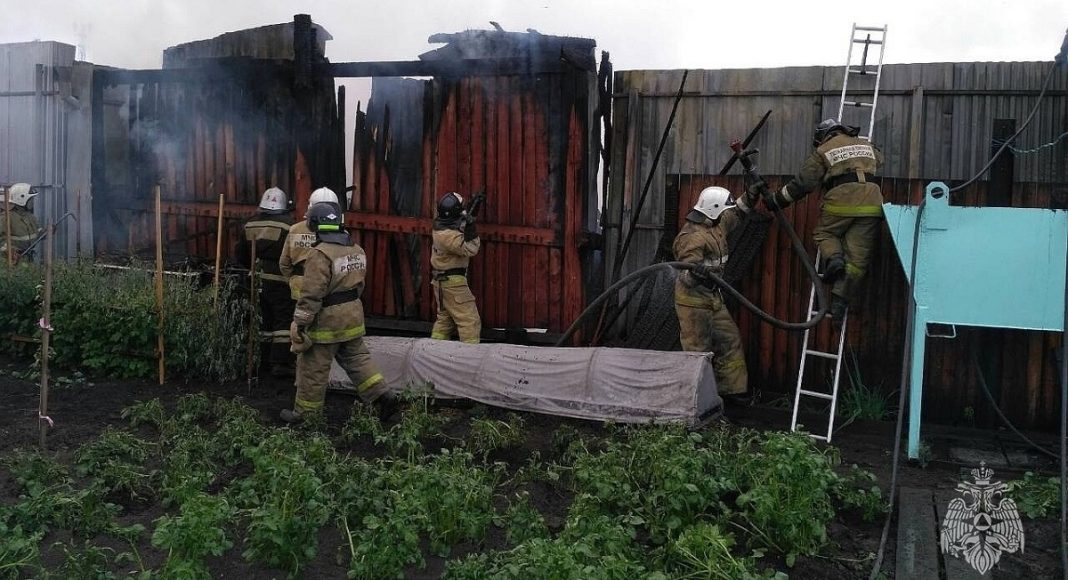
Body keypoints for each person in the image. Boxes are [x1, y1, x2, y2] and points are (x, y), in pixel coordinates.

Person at [763, 118, 884, 322]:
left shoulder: (823, 150)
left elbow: (803, 183)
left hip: (841, 199)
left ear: (823, 136)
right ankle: (839, 302)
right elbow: (880, 159)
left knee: (825, 232)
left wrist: (777, 200)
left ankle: (834, 258)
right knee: (857, 259)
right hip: (872, 204)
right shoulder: (866, 144)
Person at [281, 201, 391, 422]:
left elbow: (311, 294)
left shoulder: (319, 254)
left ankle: (306, 415)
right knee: (358, 359)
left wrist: (301, 323)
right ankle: (382, 396)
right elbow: (359, 286)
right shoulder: (356, 249)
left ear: (315, 224)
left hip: (326, 322)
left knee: (313, 367)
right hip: (352, 317)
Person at [673, 185, 758, 402]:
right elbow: (685, 275)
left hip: (713, 297)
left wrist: (751, 195)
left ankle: (731, 393)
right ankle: (696, 402)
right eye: (722, 210)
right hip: (693, 302)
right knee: (697, 353)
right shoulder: (692, 237)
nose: (725, 214)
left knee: (730, 340)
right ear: (714, 210)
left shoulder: (716, 224)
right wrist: (696, 272)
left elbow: (735, 213)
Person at [239, 187, 295, 377]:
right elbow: (293, 255)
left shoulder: (249, 224)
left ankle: (259, 360)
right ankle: (280, 362)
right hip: (280, 280)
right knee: (282, 320)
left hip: (255, 279)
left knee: (261, 319)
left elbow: (240, 254)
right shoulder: (289, 226)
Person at [430, 192, 481, 344]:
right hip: (454, 284)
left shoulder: (441, 226)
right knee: (469, 321)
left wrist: (472, 213)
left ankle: (433, 352)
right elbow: (471, 248)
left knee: (445, 322)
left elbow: (458, 226)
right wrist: (472, 226)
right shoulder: (448, 236)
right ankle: (469, 356)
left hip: (443, 282)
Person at [280, 187, 338, 300]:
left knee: (300, 315)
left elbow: (284, 263)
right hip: (328, 286)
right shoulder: (341, 233)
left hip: (300, 283)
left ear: (310, 207)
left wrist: (293, 280)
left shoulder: (295, 229)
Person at [0, 183, 41, 259]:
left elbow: (37, 232)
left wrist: (46, 231)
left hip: (27, 256)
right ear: (21, 199)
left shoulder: (30, 216)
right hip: (11, 260)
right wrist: (8, 250)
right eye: (30, 200)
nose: (32, 202)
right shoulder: (7, 217)